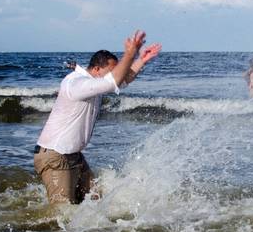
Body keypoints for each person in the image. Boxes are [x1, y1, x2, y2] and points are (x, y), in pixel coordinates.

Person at [34, 30, 161, 205]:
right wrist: (130, 53)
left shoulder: (93, 83)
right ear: (96, 69)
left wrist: (141, 60)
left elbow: (122, 80)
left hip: (73, 156)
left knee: (95, 201)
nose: (113, 76)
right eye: (110, 72)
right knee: (61, 214)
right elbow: (115, 80)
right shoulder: (76, 83)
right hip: (56, 157)